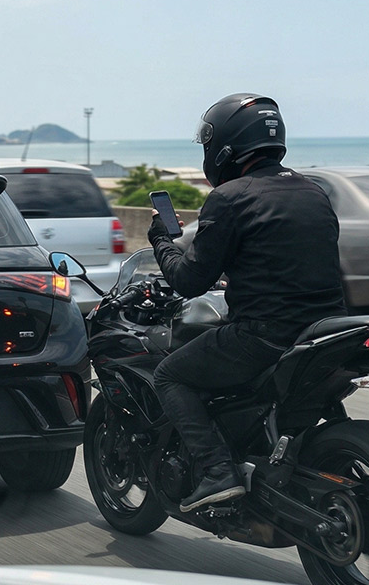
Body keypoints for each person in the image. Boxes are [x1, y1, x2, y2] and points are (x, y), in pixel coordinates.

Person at [147, 93, 347, 512]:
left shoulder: (230, 197)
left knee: (168, 375)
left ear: (225, 147)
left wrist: (162, 241)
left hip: (265, 337)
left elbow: (188, 281)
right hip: (326, 332)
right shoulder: (313, 191)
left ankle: (217, 471)